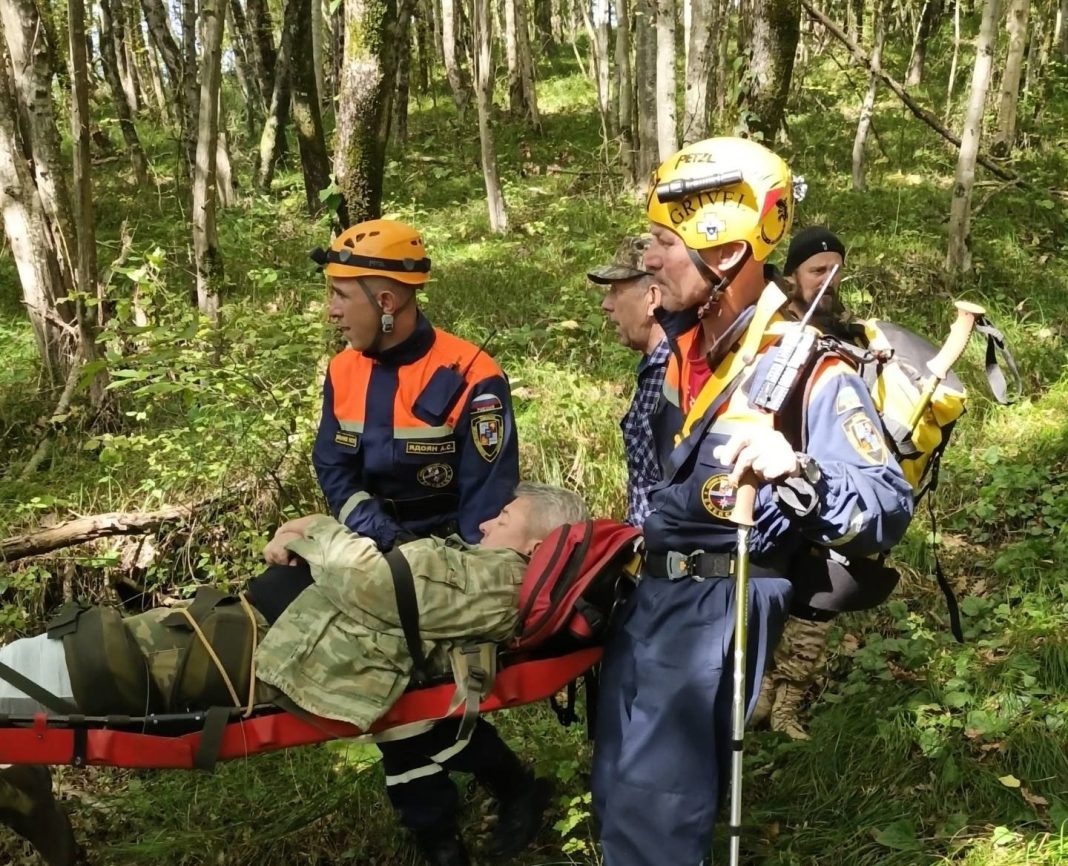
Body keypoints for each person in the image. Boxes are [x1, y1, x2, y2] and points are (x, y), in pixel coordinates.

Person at [590, 138, 915, 866]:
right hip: (650, 600)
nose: (648, 259)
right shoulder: (680, 342)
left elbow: (887, 503)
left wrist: (797, 467)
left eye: (663, 243)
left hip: (721, 604)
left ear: (728, 256)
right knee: (618, 791)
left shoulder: (803, 365)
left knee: (653, 817)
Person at [0, 483, 587, 866]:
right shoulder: (488, 569)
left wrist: (312, 529)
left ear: (542, 544)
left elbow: (376, 585)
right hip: (250, 636)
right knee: (60, 664)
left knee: (83, 664)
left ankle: (42, 826)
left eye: (505, 518)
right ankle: (43, 827)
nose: (487, 525)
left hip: (246, 657)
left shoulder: (500, 578)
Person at [308, 218, 538, 866]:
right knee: (383, 678)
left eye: (339, 295)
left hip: (450, 559)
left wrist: (433, 580)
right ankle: (495, 797)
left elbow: (485, 500)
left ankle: (445, 832)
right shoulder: (342, 370)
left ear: (386, 302)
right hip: (370, 547)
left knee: (400, 678)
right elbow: (333, 467)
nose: (330, 311)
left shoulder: (471, 374)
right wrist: (375, 536)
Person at [755, 226, 904, 739]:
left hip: (825, 487)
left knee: (816, 605)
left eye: (836, 269)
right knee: (771, 602)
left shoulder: (846, 334)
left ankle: (786, 706)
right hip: (770, 495)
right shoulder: (766, 327)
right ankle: (758, 699)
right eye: (818, 270)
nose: (829, 279)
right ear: (793, 275)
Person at [588, 235, 670, 526]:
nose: (606, 304)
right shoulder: (654, 368)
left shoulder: (675, 374)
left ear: (652, 298)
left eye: (615, 291)